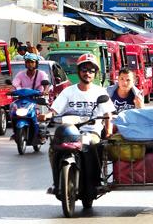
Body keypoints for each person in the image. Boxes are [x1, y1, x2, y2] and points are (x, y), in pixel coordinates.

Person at [39, 53, 116, 195]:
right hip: (68, 131)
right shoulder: (68, 91)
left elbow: (107, 115)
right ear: (79, 71)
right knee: (53, 148)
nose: (88, 73)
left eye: (91, 71)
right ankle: (57, 183)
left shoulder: (100, 92)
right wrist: (46, 115)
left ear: (95, 74)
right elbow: (55, 110)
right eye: (84, 70)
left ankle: (94, 183)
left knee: (93, 146)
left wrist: (109, 131)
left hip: (91, 132)